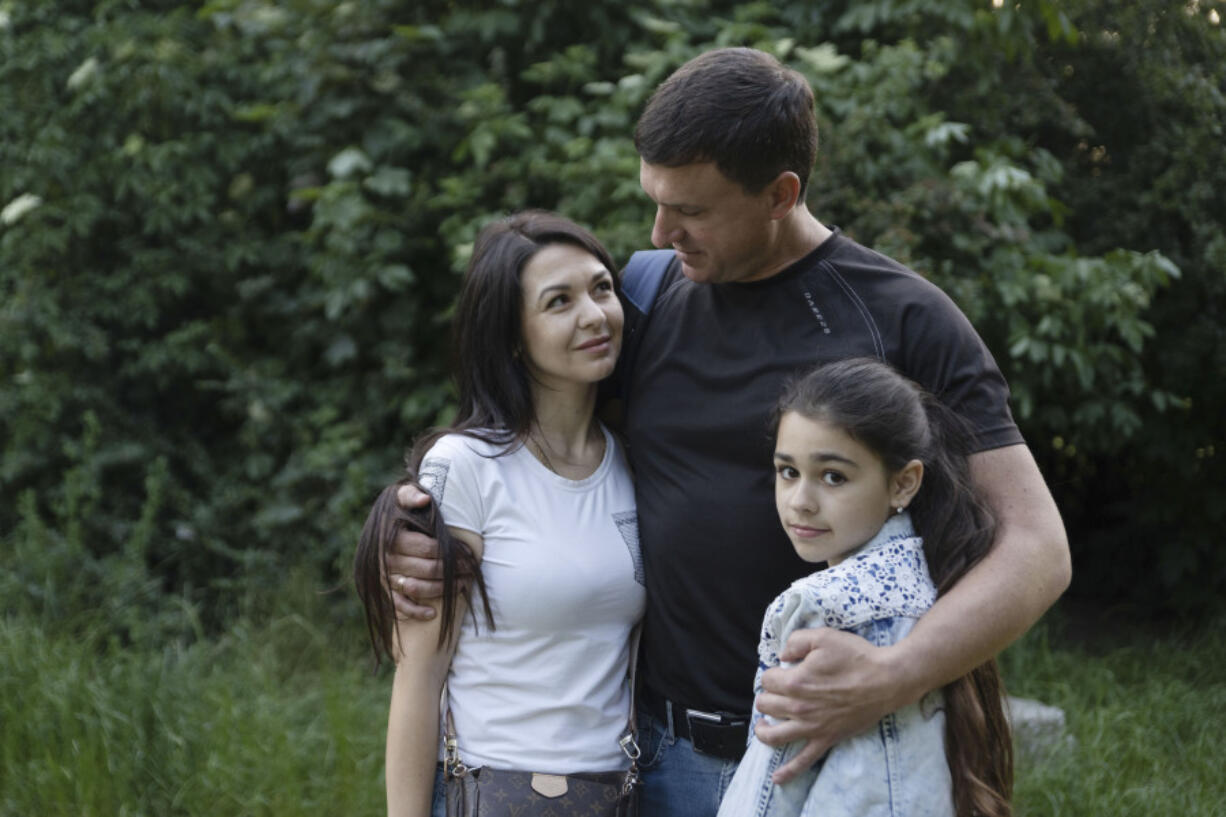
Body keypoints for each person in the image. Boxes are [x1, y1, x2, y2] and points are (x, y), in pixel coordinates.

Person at [387, 47, 1069, 817]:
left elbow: (1038, 548)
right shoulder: (643, 298)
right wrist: (411, 520)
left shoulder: (903, 318)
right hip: (656, 762)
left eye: (693, 210)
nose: (659, 229)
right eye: (655, 199)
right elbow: (526, 438)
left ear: (781, 193)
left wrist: (894, 673)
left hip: (838, 756)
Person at [353, 211, 645, 817]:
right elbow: (418, 682)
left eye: (601, 288)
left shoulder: (631, 462)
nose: (593, 315)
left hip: (613, 797)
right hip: (495, 791)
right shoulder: (466, 467)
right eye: (558, 302)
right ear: (514, 337)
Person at [716, 358, 1013, 817]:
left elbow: (774, 783)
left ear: (904, 483)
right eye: (787, 471)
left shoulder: (820, 608)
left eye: (833, 476)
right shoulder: (936, 584)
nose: (801, 502)